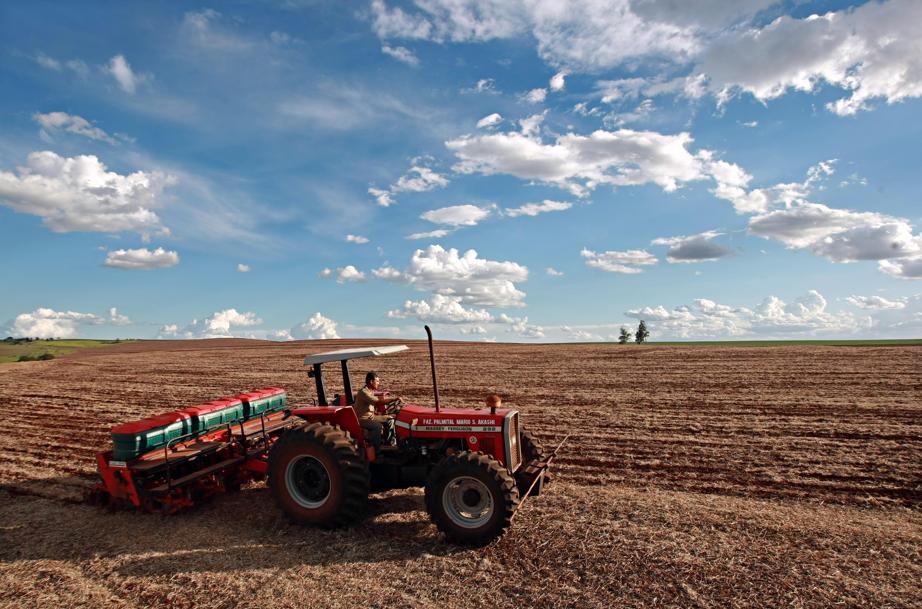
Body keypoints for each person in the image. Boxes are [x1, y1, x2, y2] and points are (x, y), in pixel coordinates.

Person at [353, 371, 398, 448]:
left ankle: (390, 444)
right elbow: (377, 402)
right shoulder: (364, 393)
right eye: (377, 381)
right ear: (371, 381)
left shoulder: (371, 391)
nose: (378, 383)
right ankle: (376, 449)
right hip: (362, 419)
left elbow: (370, 407)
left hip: (371, 417)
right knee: (378, 426)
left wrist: (379, 413)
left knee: (390, 419)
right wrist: (393, 399)